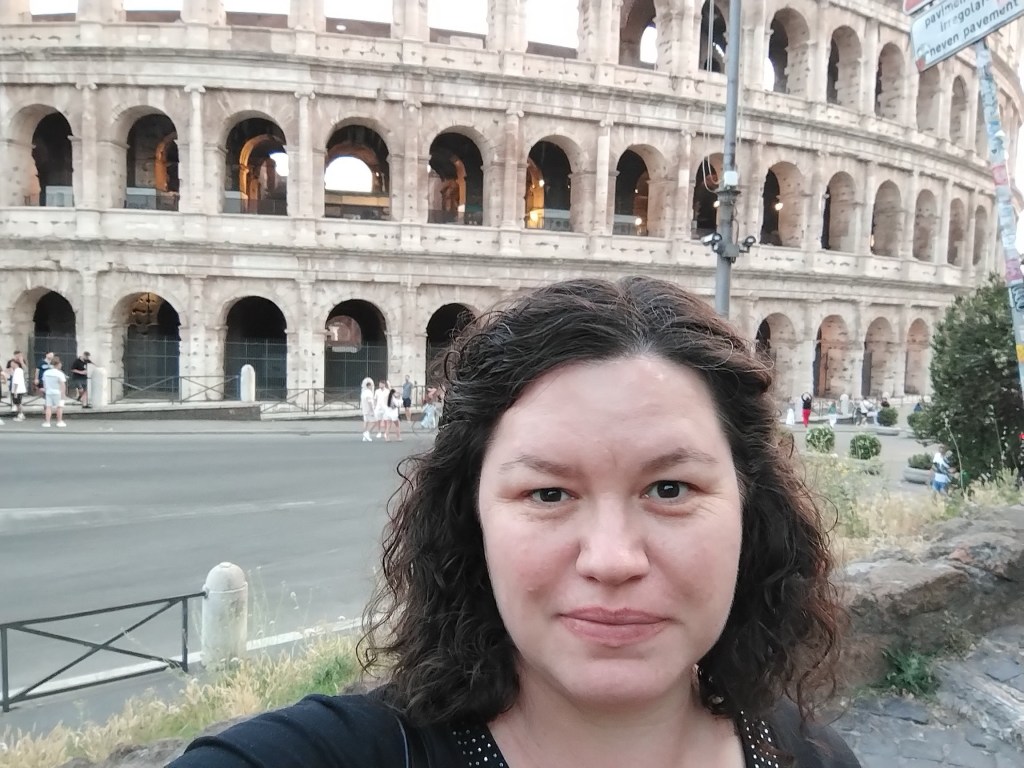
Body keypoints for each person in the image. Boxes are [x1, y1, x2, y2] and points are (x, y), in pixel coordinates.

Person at [169, 277, 859, 768]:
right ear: (471, 518)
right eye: (549, 494)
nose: (613, 559)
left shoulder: (811, 755)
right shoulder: (320, 757)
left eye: (670, 488)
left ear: (749, 508)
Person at [41, 355, 67, 428]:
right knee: (59, 407)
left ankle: (47, 422)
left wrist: (45, 390)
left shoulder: (46, 373)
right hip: (58, 392)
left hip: (49, 391)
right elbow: (62, 385)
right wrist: (63, 394)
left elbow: (44, 383)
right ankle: (59, 421)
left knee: (48, 407)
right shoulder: (60, 373)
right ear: (58, 364)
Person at [359, 377, 376, 442]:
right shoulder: (369, 392)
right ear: (369, 386)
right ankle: (367, 433)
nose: (372, 387)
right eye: (371, 386)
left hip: (364, 410)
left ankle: (364, 436)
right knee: (374, 422)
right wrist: (372, 410)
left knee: (366, 422)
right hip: (369, 410)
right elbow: (370, 402)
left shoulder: (363, 393)